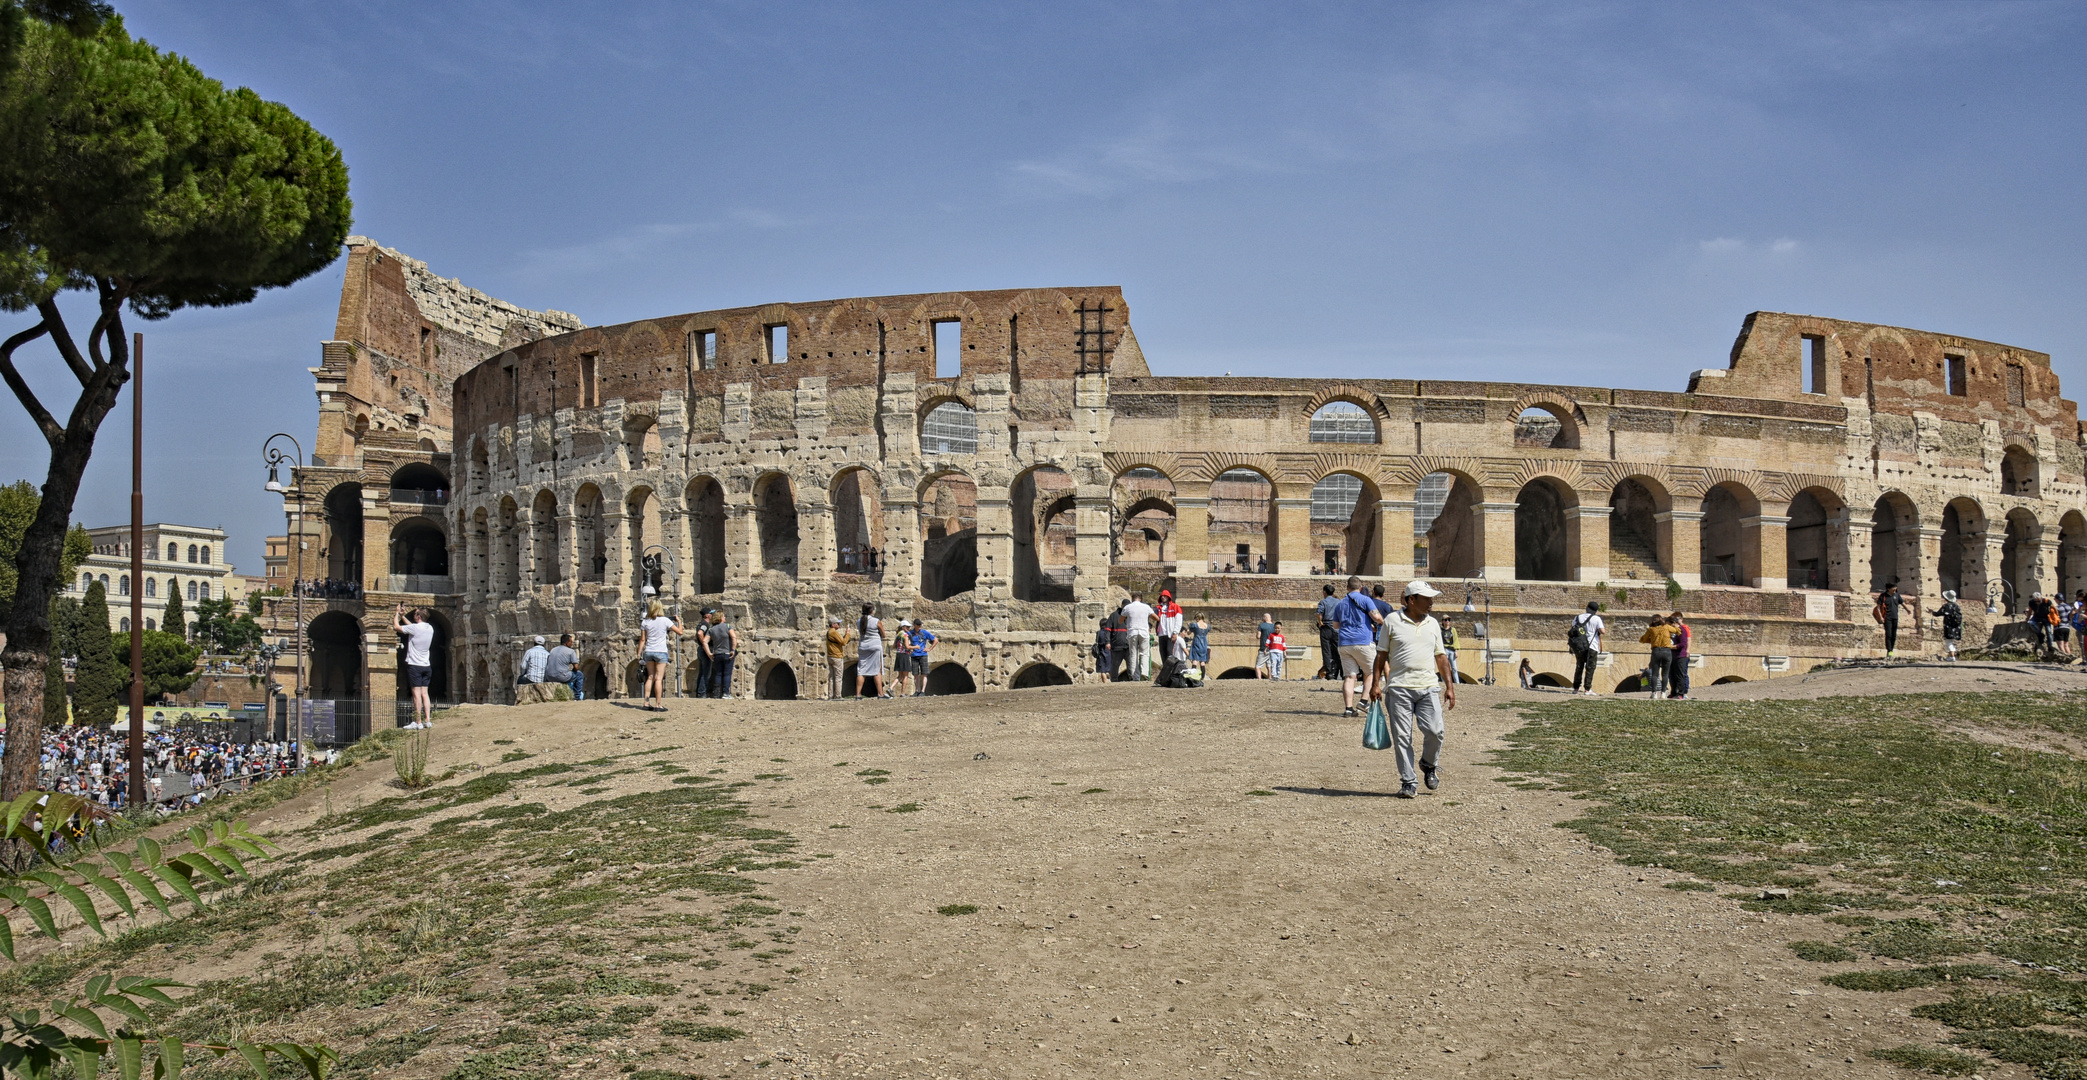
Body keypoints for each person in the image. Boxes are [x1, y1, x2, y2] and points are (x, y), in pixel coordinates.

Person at [1370, 580, 1455, 799]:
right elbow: (1381, 655)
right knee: (1402, 737)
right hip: (1399, 688)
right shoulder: (1391, 621)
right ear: (1411, 600)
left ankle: (1428, 764)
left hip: (1428, 687)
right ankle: (1408, 781)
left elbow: (1441, 656)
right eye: (1427, 599)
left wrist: (1449, 686)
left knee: (1436, 731)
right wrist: (1375, 684)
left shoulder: (1433, 624)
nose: (1431, 603)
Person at [1334, 576, 1386, 718]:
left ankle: (1349, 708)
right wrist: (1380, 623)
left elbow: (1336, 625)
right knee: (1371, 673)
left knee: (1350, 677)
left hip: (1344, 643)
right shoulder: (1365, 600)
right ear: (1361, 588)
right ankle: (1363, 701)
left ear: (1347, 588)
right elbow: (1377, 617)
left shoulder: (1340, 604)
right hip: (1363, 641)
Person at [395, 606, 437, 729]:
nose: (413, 616)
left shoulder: (415, 628)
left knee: (416, 694)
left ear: (418, 616)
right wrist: (403, 617)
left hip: (415, 665)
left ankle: (418, 722)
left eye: (415, 614)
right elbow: (411, 628)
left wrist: (397, 614)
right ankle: (427, 720)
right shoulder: (429, 628)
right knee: (425, 693)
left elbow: (396, 627)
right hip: (426, 666)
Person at [637, 600, 682, 711]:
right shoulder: (665, 620)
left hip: (649, 651)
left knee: (650, 677)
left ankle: (646, 703)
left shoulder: (645, 622)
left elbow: (643, 639)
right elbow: (680, 632)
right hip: (661, 651)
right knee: (658, 678)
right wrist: (679, 621)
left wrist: (639, 653)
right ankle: (658, 705)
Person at [702, 608, 739, 699]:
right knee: (727, 674)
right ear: (721, 618)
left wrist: (709, 653)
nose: (725, 617)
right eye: (723, 616)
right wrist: (733, 650)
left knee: (718, 673)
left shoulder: (711, 629)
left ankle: (716, 694)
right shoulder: (728, 626)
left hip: (717, 654)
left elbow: (704, 641)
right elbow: (734, 638)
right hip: (727, 653)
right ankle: (726, 693)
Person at [1568, 602, 1604, 695]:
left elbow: (1572, 629)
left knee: (1579, 666)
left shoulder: (1578, 617)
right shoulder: (1597, 618)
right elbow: (1602, 631)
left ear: (1587, 608)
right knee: (1590, 667)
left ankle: (1576, 688)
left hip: (1579, 645)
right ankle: (1587, 689)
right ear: (1596, 611)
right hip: (1592, 646)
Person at [1639, 614, 1676, 699]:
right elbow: (1675, 630)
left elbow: (1643, 639)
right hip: (1667, 651)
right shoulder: (1666, 627)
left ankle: (1654, 693)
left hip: (1656, 651)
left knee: (1655, 674)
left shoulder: (1651, 629)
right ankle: (1663, 693)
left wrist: (1652, 640)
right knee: (1665, 674)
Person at [855, 604, 887, 699]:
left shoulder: (859, 621)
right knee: (877, 669)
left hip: (863, 646)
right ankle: (880, 694)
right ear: (872, 611)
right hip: (875, 646)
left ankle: (858, 694)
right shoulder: (876, 621)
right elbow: (883, 634)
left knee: (861, 670)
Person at [1122, 592, 1156, 681]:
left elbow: (1120, 620)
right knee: (1144, 653)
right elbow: (1156, 617)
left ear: (1132, 599)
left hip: (1132, 631)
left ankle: (1135, 675)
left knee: (1133, 654)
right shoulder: (1146, 607)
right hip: (1144, 632)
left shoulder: (1128, 607)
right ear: (1141, 599)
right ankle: (1145, 673)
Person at [1874, 581, 1914, 658]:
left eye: (1895, 588)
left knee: (1894, 635)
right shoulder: (1883, 596)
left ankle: (1891, 649)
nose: (1895, 589)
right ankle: (1889, 651)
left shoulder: (1897, 595)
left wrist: (1907, 610)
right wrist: (1880, 617)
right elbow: (1878, 607)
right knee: (1888, 634)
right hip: (1887, 617)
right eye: (1893, 588)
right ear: (1888, 588)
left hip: (1895, 617)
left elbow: (1902, 603)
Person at [1314, 584, 1342, 680]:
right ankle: (1342, 671)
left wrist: (1320, 622)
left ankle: (1329, 672)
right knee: (1337, 651)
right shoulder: (1339, 602)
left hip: (1326, 628)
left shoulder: (1323, 602)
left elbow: (1319, 613)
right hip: (1336, 628)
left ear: (1324, 592)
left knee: (1326, 651)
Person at [546, 633, 582, 700]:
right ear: (567, 642)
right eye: (571, 642)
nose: (572, 643)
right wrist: (574, 670)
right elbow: (576, 667)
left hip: (549, 676)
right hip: (561, 676)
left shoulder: (552, 650)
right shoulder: (571, 651)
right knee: (579, 675)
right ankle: (577, 697)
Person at [1930, 591, 1963, 661]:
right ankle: (1953, 655)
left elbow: (1937, 614)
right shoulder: (1956, 606)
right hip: (1956, 627)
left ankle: (1952, 657)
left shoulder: (1946, 606)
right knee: (1952, 641)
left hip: (1949, 627)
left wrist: (1932, 612)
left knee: (1948, 641)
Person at [825, 617, 853, 699]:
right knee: (838, 677)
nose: (839, 625)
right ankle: (837, 695)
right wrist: (848, 633)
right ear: (833, 624)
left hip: (830, 656)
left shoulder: (829, 632)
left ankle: (830, 695)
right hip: (836, 656)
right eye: (838, 623)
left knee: (831, 677)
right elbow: (844, 642)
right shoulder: (833, 632)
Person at [1666, 612, 1692, 700]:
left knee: (1680, 675)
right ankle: (1673, 692)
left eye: (1670, 624)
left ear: (1674, 623)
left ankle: (1681, 693)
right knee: (1671, 675)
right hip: (1671, 656)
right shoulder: (1670, 631)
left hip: (1681, 655)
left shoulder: (1681, 630)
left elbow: (1683, 643)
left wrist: (1673, 647)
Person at [1155, 590, 1184, 663]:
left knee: (1169, 652)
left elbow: (1178, 621)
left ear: (1168, 597)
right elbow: (1151, 617)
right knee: (1162, 653)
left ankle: (1171, 670)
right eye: (1162, 596)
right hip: (1161, 634)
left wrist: (1175, 632)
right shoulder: (1158, 608)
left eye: (1165, 596)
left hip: (1170, 634)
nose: (1163, 597)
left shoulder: (1175, 607)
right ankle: (1165, 670)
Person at [908, 618, 936, 695]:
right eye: (918, 624)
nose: (920, 626)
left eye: (920, 624)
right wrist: (910, 648)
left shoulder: (924, 633)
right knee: (915, 674)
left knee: (924, 674)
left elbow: (935, 640)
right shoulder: (910, 633)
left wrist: (930, 649)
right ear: (914, 625)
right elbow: (906, 642)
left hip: (923, 655)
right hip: (914, 655)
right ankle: (917, 690)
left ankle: (922, 691)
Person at [692, 609, 715, 698]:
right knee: (706, 673)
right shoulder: (705, 624)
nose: (712, 615)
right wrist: (704, 644)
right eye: (711, 613)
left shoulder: (701, 623)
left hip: (701, 650)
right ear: (706, 615)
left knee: (702, 672)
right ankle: (702, 693)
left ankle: (699, 692)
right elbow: (700, 633)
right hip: (704, 650)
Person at [889, 620, 915, 695]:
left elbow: (894, 646)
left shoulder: (898, 635)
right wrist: (915, 647)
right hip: (904, 655)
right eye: (907, 627)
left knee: (900, 675)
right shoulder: (905, 635)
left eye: (909, 627)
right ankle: (902, 693)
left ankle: (891, 688)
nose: (909, 628)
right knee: (905, 676)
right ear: (903, 627)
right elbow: (907, 646)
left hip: (899, 654)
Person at [1436, 614, 1460, 685]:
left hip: (1451, 650)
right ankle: (1444, 682)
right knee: (1444, 667)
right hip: (1444, 650)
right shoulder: (1440, 631)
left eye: (1449, 620)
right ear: (1442, 621)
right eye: (1446, 620)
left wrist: (1456, 651)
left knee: (1454, 668)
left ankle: (1457, 682)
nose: (1447, 622)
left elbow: (1456, 640)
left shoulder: (1453, 630)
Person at [1255, 612, 1277, 679]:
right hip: (1272, 649)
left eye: (1263, 617)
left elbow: (1258, 636)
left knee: (1258, 666)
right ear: (1270, 618)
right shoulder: (1274, 627)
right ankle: (1270, 678)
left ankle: (1259, 679)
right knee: (1269, 666)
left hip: (1263, 648)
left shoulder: (1261, 626)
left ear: (1265, 618)